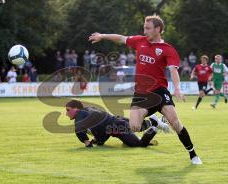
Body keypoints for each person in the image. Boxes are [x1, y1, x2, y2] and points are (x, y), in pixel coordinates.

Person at [88, 15, 202, 164]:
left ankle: (193, 155)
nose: (145, 31)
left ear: (158, 29)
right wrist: (102, 36)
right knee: (134, 127)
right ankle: (154, 122)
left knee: (175, 123)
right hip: (141, 93)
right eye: (144, 28)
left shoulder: (167, 49)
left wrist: (178, 88)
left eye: (148, 28)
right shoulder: (139, 41)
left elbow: (173, 71)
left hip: (159, 92)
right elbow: (121, 38)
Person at [66, 100, 170, 148]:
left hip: (116, 126)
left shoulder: (80, 116)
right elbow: (102, 128)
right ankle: (155, 121)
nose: (66, 113)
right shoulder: (88, 109)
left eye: (68, 110)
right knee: (138, 127)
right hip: (116, 120)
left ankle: (154, 126)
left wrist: (86, 142)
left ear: (76, 109)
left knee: (139, 144)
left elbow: (79, 130)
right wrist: (98, 140)